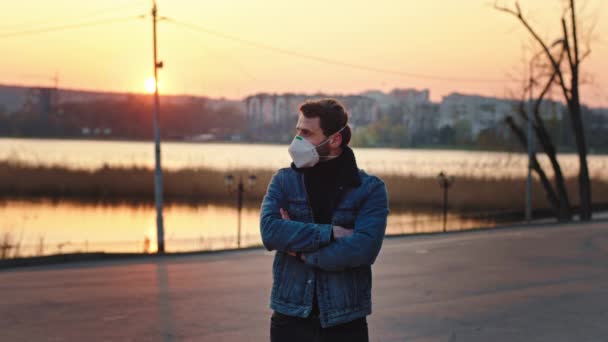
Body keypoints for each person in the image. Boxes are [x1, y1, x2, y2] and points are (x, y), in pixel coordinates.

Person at [260, 98, 389, 342]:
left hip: (345, 321)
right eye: (298, 130)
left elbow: (363, 249)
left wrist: (301, 253)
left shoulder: (369, 189)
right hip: (290, 317)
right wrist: (329, 233)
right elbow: (270, 231)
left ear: (335, 140)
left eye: (307, 133)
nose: (297, 140)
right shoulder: (284, 180)